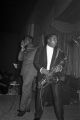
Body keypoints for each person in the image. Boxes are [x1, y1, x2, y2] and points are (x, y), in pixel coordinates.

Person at [33, 33, 67, 120]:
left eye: (56, 39)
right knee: (40, 98)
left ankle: (60, 117)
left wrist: (60, 67)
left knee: (58, 99)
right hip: (43, 76)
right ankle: (37, 116)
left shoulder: (60, 51)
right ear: (48, 40)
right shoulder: (40, 49)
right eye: (54, 39)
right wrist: (41, 69)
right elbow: (36, 62)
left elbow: (63, 63)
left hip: (55, 77)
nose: (56, 41)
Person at [17, 35, 37, 116]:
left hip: (30, 72)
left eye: (24, 40)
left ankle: (22, 109)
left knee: (25, 89)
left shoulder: (35, 49)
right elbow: (19, 58)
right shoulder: (25, 49)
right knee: (28, 90)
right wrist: (22, 48)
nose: (23, 41)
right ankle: (27, 107)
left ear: (29, 41)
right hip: (25, 72)